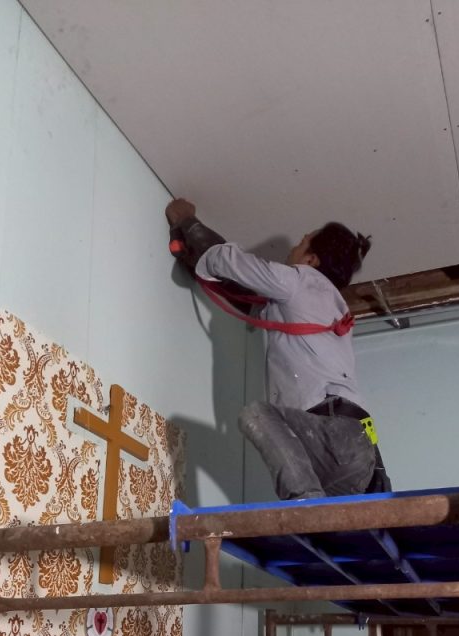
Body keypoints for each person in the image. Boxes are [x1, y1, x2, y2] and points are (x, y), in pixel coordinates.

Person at [165, 198, 391, 500]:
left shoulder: (300, 280)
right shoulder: (333, 309)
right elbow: (248, 298)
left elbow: (228, 261)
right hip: (356, 455)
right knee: (329, 521)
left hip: (328, 436)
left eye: (301, 244)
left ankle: (303, 505)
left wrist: (188, 221)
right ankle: (310, 510)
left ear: (311, 260)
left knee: (256, 415)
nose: (293, 250)